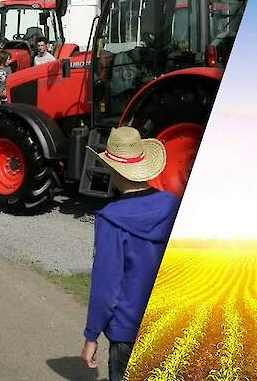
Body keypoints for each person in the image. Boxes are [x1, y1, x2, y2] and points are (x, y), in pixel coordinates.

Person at [81, 127, 180, 381]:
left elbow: (106, 286)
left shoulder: (111, 218)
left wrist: (92, 335)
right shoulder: (173, 205)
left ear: (113, 170)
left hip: (127, 329)